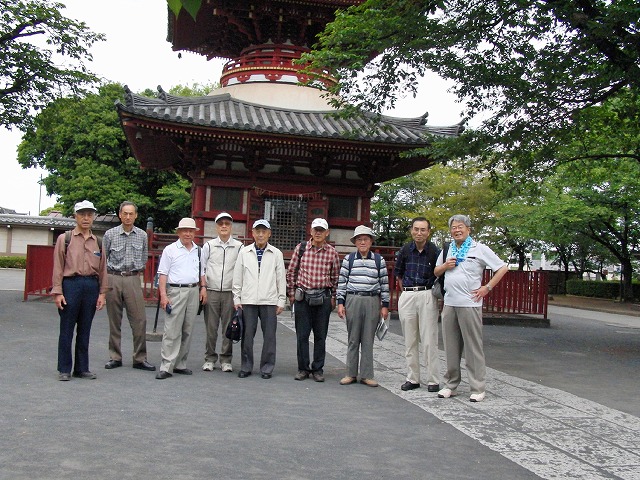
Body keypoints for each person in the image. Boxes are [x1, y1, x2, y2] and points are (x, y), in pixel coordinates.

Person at [434, 214, 508, 402]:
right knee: (450, 346)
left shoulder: (479, 248)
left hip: (470, 303)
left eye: (460, 227)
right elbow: (436, 271)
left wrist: (487, 288)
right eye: (453, 227)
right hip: (450, 303)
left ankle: (477, 387)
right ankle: (451, 384)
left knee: (473, 347)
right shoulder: (447, 249)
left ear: (468, 229)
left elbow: (502, 268)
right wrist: (445, 265)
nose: (457, 230)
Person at [52, 200, 108, 381]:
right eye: (82, 214)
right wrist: (58, 292)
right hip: (71, 284)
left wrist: (102, 293)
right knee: (67, 328)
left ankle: (82, 368)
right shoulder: (65, 239)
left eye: (89, 215)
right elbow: (58, 266)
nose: (86, 218)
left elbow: (103, 269)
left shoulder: (98, 241)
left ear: (94, 217)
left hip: (91, 285)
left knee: (85, 329)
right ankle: (64, 369)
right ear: (75, 216)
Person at [286, 218, 341, 382]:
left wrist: (334, 297)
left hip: (323, 297)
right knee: (302, 336)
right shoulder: (301, 248)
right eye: (315, 229)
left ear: (327, 233)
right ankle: (303, 368)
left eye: (321, 230)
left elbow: (336, 278)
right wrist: (291, 294)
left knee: (320, 336)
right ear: (311, 231)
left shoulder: (332, 253)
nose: (318, 233)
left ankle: (318, 369)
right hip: (303, 297)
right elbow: (291, 272)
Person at [103, 201, 155, 372]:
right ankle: (115, 357)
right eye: (124, 213)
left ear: (136, 215)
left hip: (133, 278)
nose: (127, 217)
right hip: (113, 277)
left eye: (131, 214)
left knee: (139, 320)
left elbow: (144, 257)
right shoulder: (110, 234)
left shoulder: (142, 235)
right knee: (114, 320)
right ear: (120, 215)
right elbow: (104, 259)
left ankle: (139, 358)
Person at [336, 225, 390, 387]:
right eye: (359, 239)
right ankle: (350, 373)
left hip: (372, 300)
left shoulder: (379, 260)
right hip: (353, 298)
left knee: (368, 339)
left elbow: (384, 283)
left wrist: (385, 305)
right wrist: (340, 302)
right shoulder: (349, 259)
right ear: (355, 242)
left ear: (371, 241)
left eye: (366, 239)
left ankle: (367, 375)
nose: (362, 242)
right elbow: (342, 281)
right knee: (353, 338)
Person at [232, 219, 286, 379]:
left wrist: (281, 300)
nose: (261, 234)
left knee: (269, 336)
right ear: (253, 233)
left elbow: (281, 278)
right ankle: (246, 366)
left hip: (269, 300)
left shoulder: (276, 253)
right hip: (248, 300)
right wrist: (237, 298)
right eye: (258, 231)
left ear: (269, 234)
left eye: (264, 231)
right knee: (247, 335)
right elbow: (237, 277)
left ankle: (267, 368)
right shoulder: (244, 252)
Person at [155, 218, 207, 380]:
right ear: (178, 232)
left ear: (194, 233)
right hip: (176, 291)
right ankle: (166, 365)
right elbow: (163, 274)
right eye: (184, 230)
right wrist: (163, 295)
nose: (187, 234)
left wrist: (203, 288)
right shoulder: (170, 250)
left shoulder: (199, 250)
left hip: (193, 290)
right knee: (172, 329)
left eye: (191, 231)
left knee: (188, 329)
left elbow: (201, 271)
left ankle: (180, 363)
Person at [394, 217, 441, 392]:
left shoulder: (434, 251)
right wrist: (407, 293)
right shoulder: (405, 249)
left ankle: (433, 379)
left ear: (428, 232)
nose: (419, 233)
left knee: (429, 339)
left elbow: (439, 274)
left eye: (423, 230)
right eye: (416, 229)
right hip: (408, 294)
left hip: (427, 293)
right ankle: (412, 378)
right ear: (411, 230)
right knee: (410, 340)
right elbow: (399, 274)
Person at [201, 212, 243, 373]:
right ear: (216, 227)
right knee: (211, 328)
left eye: (227, 223)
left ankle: (226, 359)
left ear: (231, 226)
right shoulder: (209, 246)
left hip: (229, 292)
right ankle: (209, 358)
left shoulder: (239, 247)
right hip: (211, 291)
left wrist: (238, 294)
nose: (224, 226)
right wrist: (203, 287)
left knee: (229, 327)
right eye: (221, 224)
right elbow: (202, 268)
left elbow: (241, 270)